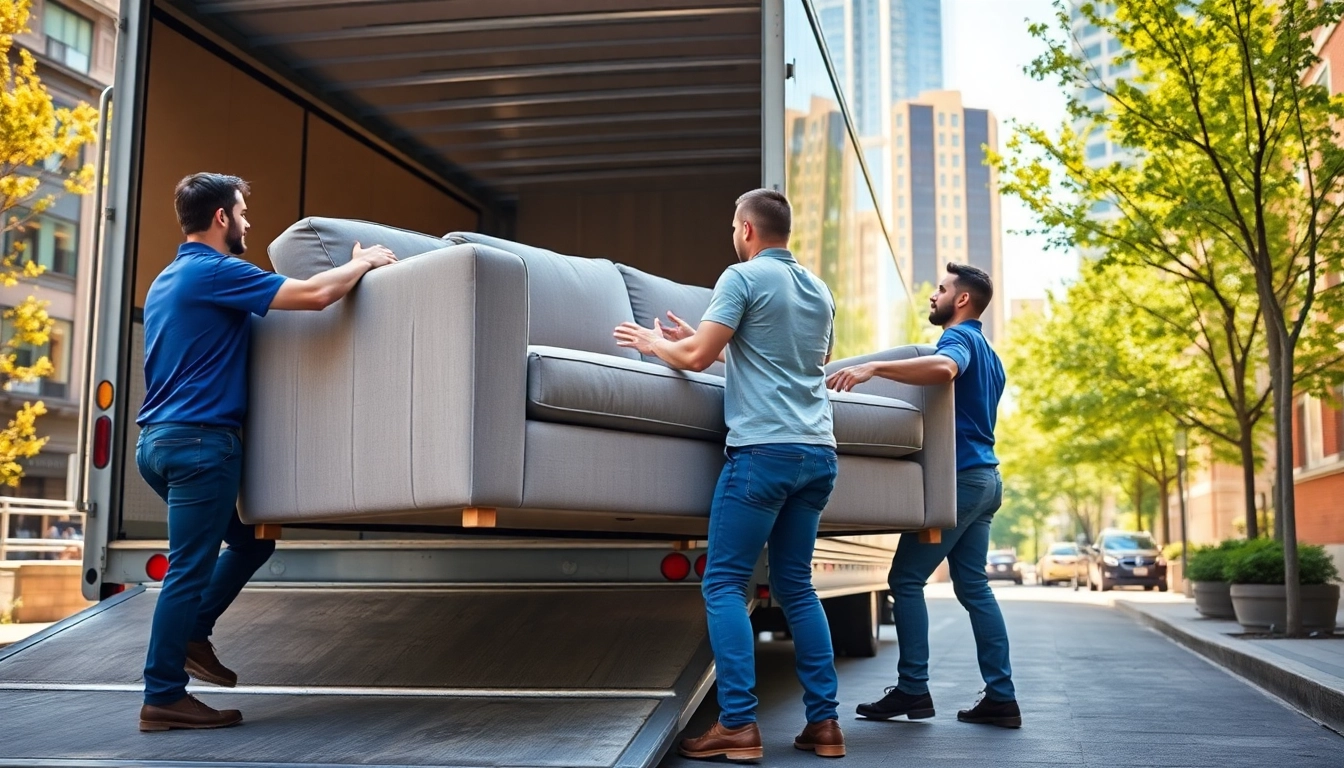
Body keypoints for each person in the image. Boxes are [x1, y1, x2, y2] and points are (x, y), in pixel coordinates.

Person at [136, 173, 396, 732]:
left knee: (252, 539)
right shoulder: (217, 271)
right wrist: (363, 263)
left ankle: (193, 633)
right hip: (202, 444)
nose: (250, 223)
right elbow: (318, 296)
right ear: (222, 218)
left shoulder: (167, 278)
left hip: (156, 443)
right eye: (244, 212)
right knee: (188, 568)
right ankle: (162, 694)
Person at [614, 189, 845, 761]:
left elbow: (696, 362)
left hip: (762, 453)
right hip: (818, 454)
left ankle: (738, 724)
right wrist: (689, 339)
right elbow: (776, 359)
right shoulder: (819, 290)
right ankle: (825, 726)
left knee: (722, 584)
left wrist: (651, 344)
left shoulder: (740, 279)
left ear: (746, 229)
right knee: (797, 587)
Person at [827, 262, 1021, 729]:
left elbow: (944, 368)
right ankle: (1001, 696)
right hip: (986, 481)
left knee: (906, 580)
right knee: (974, 587)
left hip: (961, 480)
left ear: (963, 300)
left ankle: (913, 689)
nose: (933, 296)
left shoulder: (959, 340)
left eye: (941, 289)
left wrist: (873, 366)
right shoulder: (991, 352)